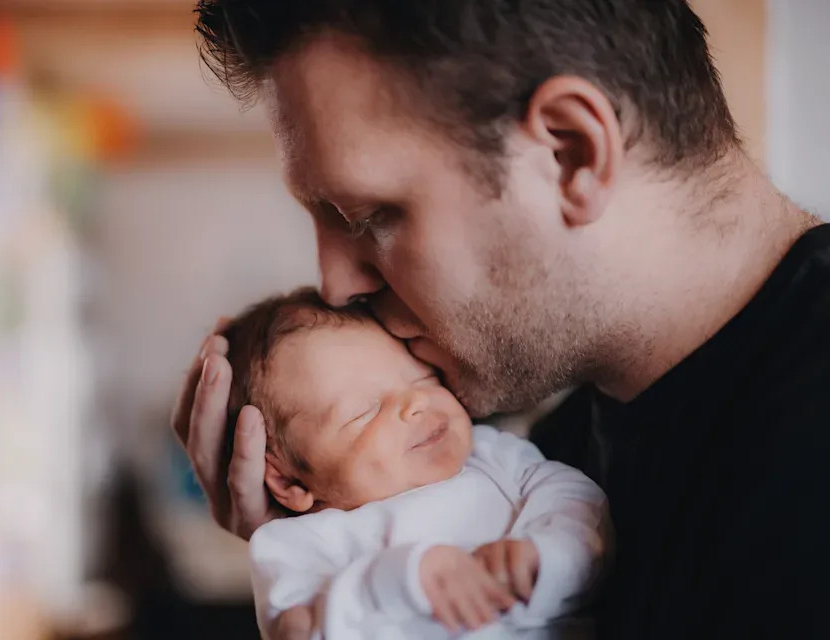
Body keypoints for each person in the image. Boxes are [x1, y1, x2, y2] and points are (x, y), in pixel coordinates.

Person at [171, 1, 830, 638]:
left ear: (570, 153)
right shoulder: (554, 458)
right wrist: (335, 558)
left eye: (373, 216)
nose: (336, 287)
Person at [220, 288, 609, 639]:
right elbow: (297, 629)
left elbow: (580, 506)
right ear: (291, 482)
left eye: (423, 378)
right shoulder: (299, 543)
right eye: (364, 412)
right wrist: (399, 578)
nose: (415, 403)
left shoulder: (498, 457)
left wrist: (544, 556)